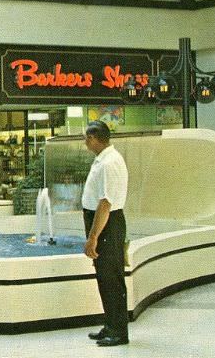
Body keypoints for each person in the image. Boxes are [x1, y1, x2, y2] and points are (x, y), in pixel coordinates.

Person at [82, 121, 129, 347]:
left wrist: (93, 237)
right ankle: (110, 325)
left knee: (111, 279)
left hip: (107, 224)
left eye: (86, 138)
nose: (85, 142)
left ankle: (119, 331)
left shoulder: (109, 162)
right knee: (105, 278)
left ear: (93, 138)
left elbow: (105, 203)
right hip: (103, 223)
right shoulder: (103, 159)